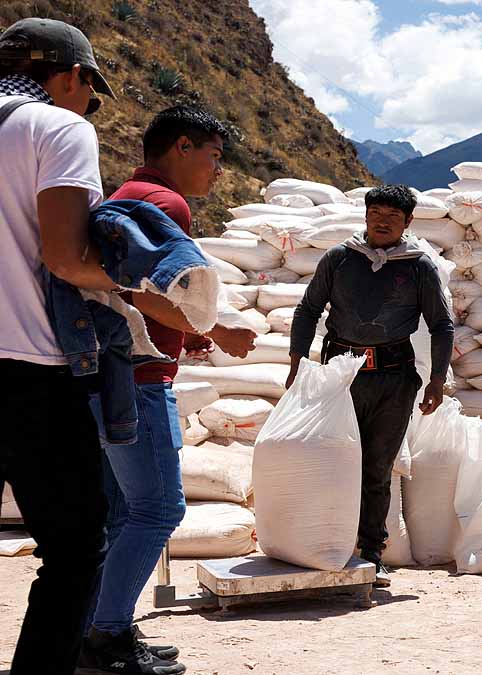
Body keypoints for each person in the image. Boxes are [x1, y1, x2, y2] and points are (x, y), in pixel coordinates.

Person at [77, 104, 258, 675]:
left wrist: (183, 331)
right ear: (181, 147)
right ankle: (104, 639)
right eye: (213, 155)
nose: (217, 170)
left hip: (106, 372)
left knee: (119, 513)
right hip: (140, 378)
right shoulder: (165, 202)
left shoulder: (122, 195)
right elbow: (137, 288)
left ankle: (99, 629)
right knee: (158, 509)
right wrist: (214, 327)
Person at [0, 16, 118, 675]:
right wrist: (144, 285)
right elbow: (66, 258)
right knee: (75, 549)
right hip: (25, 371)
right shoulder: (57, 127)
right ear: (71, 76)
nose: (89, 106)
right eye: (90, 92)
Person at [288, 184, 454, 587]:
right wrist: (296, 364)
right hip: (339, 376)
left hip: (394, 380)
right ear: (364, 216)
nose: (382, 221)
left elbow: (441, 325)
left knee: (377, 467)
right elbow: (308, 310)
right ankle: (325, 543)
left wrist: (436, 380)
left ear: (408, 222)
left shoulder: (418, 267)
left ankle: (371, 553)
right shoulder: (339, 260)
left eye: (393, 216)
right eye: (376, 212)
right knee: (332, 460)